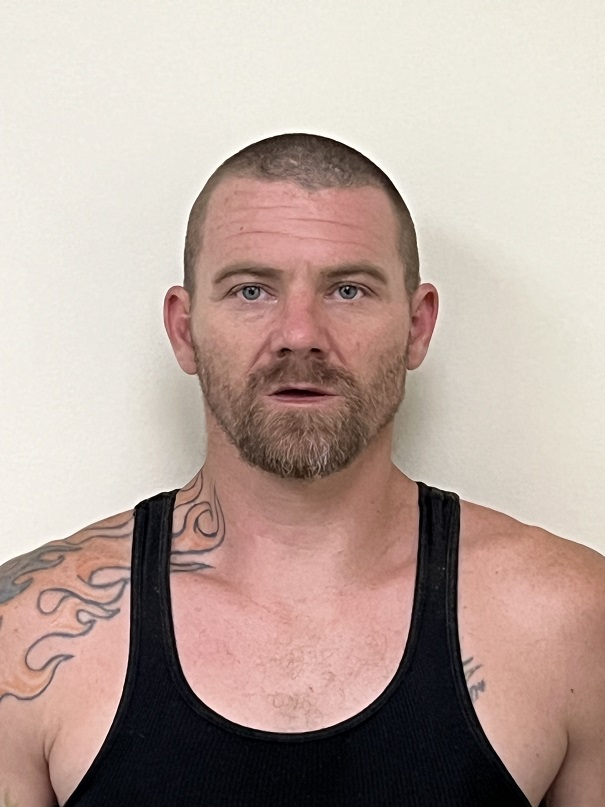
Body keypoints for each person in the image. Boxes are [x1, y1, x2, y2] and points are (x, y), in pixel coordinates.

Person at [1, 133, 603, 807]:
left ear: (416, 326)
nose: (299, 334)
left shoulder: (570, 620)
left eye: (347, 290)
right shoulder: (27, 637)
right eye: (251, 290)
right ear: (184, 329)